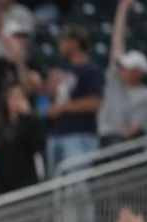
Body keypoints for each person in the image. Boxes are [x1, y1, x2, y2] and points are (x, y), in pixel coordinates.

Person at [45, 24, 104, 177]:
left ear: (75, 43)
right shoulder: (64, 70)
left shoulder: (91, 69)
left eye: (63, 41)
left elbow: (95, 102)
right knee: (56, 189)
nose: (60, 46)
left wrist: (63, 107)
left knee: (77, 185)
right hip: (57, 133)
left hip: (80, 135)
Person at [97, 0, 147, 147]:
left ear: (139, 72)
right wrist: (122, 8)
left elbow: (137, 128)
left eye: (128, 67)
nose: (123, 70)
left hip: (126, 145)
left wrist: (118, 143)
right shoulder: (116, 82)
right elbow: (117, 45)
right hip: (104, 140)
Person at [0, 82, 44, 195]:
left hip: (26, 180)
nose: (17, 101)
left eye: (20, 96)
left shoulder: (30, 122)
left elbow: (39, 143)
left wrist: (29, 115)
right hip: (4, 184)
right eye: (13, 97)